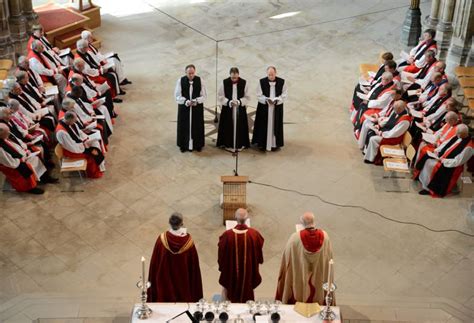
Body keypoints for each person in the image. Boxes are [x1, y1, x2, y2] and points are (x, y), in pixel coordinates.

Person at [275, 212, 334, 304]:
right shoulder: (325, 237)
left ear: (302, 224)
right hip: (319, 274)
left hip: (299, 277)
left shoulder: (294, 238)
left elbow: (287, 259)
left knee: (299, 284)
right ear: (314, 222)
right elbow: (328, 257)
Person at [147, 212, 203, 302]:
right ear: (181, 224)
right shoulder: (188, 243)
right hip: (183, 281)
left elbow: (155, 263)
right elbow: (193, 267)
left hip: (164, 281)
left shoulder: (161, 240)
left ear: (169, 223)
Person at [218, 208, 264, 303]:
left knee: (228, 296)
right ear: (247, 218)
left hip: (230, 273)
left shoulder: (227, 235)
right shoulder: (254, 234)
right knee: (247, 288)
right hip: (248, 272)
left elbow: (221, 254)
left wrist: (223, 265)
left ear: (235, 218)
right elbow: (258, 251)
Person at [416, 124, 473, 197]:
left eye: (458, 133)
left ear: (464, 134)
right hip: (443, 157)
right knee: (427, 158)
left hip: (451, 166)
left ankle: (428, 188)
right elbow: (446, 144)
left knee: (430, 164)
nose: (456, 134)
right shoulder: (459, 136)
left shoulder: (469, 148)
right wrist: (437, 151)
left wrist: (443, 160)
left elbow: (458, 162)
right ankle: (423, 181)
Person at [56, 111, 105, 178]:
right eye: (74, 121)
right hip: (72, 151)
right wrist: (88, 150)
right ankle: (93, 174)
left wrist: (87, 139)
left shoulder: (69, 122)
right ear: (69, 120)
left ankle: (100, 167)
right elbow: (71, 146)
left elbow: (79, 133)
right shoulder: (61, 132)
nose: (75, 122)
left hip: (78, 146)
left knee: (95, 146)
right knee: (92, 155)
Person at [0, 120, 45, 194]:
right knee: (26, 167)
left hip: (18, 159)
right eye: (6, 132)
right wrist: (22, 159)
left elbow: (15, 147)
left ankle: (41, 177)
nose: (9, 133)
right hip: (12, 166)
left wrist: (24, 152)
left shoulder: (4, 138)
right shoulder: (1, 148)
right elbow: (10, 163)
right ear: (1, 134)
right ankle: (30, 187)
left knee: (36, 157)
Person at [252, 66, 288, 151]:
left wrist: (277, 100)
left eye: (272, 74)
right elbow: (258, 94)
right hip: (264, 108)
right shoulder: (261, 82)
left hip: (276, 108)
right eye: (269, 75)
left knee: (276, 125)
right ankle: (262, 143)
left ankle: (274, 144)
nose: (271, 76)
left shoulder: (282, 82)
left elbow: (284, 94)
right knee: (263, 125)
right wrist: (266, 100)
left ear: (275, 73)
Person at [174, 64, 207, 152]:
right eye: (189, 73)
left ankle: (198, 144)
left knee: (197, 126)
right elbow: (177, 96)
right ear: (186, 72)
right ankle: (183, 145)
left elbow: (204, 96)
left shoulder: (200, 80)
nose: (191, 75)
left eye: (192, 73)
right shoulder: (180, 81)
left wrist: (196, 100)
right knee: (184, 126)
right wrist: (185, 101)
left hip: (197, 108)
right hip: (184, 108)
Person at [216, 67, 250, 150]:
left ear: (238, 75)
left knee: (240, 126)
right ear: (230, 75)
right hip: (228, 108)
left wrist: (239, 102)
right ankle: (227, 144)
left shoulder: (244, 83)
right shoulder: (224, 82)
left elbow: (248, 97)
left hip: (239, 108)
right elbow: (220, 96)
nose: (234, 79)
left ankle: (240, 143)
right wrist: (229, 102)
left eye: (235, 77)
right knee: (227, 125)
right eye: (232, 77)